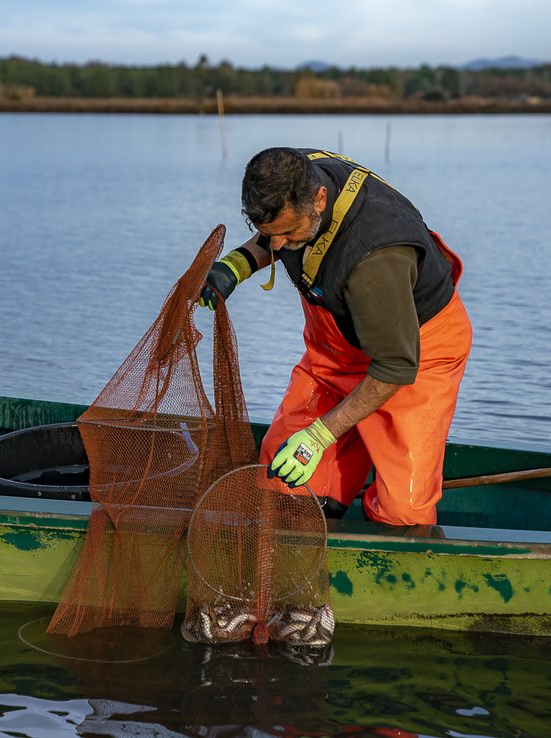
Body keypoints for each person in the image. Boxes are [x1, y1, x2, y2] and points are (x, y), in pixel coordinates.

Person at [199, 147, 472, 526]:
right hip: (336, 353)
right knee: (282, 483)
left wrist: (318, 437)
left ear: (320, 200)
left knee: (403, 513)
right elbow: (276, 232)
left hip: (416, 356)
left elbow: (395, 366)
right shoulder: (297, 173)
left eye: (289, 233)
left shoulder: (374, 258)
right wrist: (237, 265)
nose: (277, 247)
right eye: (267, 234)